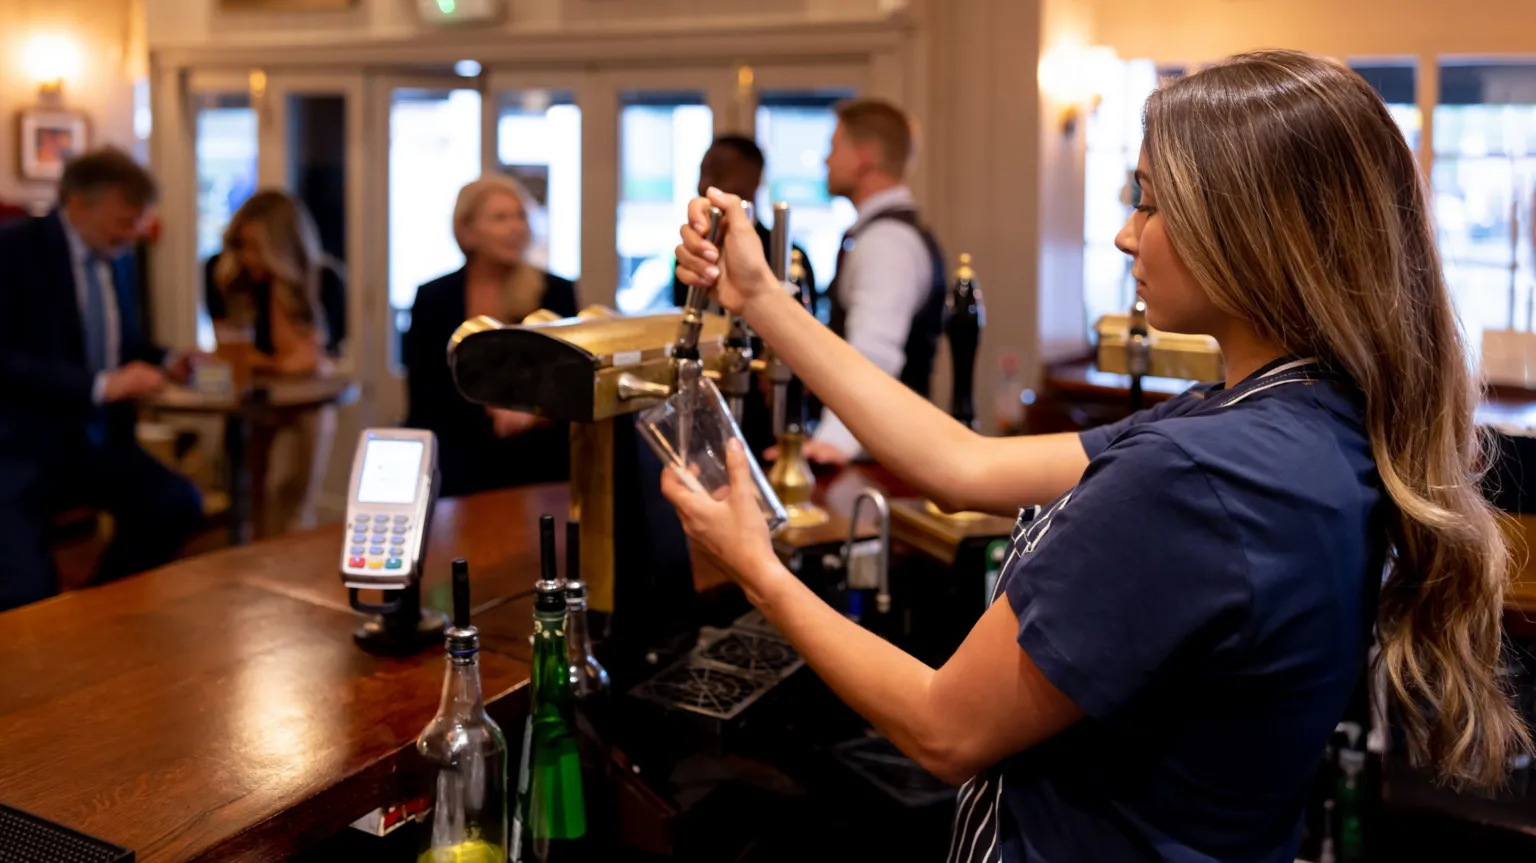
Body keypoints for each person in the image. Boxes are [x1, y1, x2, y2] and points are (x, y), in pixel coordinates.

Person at [668, 51, 1528, 862]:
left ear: (1249, 232)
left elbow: (944, 729)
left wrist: (758, 567)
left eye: (1149, 202)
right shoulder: (1301, 418)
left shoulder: (1200, 476)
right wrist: (760, 298)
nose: (1125, 235)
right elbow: (962, 465)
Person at [0, 148, 203, 611]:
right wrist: (99, 386)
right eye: (125, 220)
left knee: (175, 504)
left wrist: (168, 358)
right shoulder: (12, 252)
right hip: (20, 449)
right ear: (78, 204)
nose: (134, 234)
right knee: (26, 596)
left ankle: (94, 612)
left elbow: (123, 343)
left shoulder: (118, 258)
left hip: (97, 443)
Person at [405, 175, 578, 497]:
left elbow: (570, 381)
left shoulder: (556, 292)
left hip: (538, 464)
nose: (516, 228)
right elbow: (424, 394)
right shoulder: (433, 298)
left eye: (521, 216)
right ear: (466, 231)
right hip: (457, 464)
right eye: (500, 218)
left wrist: (531, 412)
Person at [805, 98, 947, 466]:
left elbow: (874, 353)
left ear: (863, 157)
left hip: (879, 460)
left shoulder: (886, 242)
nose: (826, 160)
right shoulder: (883, 234)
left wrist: (833, 443)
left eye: (834, 147)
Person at [205, 190, 344, 536]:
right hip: (251, 403)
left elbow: (313, 359)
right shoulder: (226, 278)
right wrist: (284, 363)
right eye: (242, 244)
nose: (247, 256)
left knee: (291, 500)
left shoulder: (326, 281)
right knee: (251, 500)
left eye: (257, 247)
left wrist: (284, 288)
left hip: (306, 406)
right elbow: (236, 355)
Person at [670, 134, 819, 458]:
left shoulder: (789, 256)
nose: (704, 183)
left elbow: (803, 348)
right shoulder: (695, 256)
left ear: (753, 179)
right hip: (704, 411)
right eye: (702, 171)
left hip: (766, 421)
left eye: (718, 172)